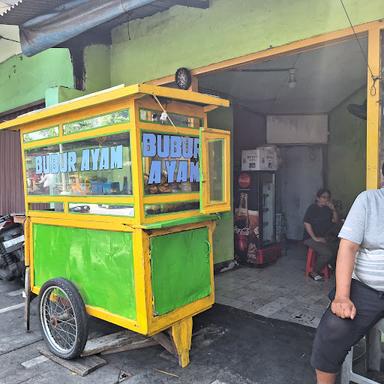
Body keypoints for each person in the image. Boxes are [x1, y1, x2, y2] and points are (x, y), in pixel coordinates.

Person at [311, 165, 384, 384]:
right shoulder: (368, 201)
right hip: (366, 289)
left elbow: (334, 221)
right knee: (332, 330)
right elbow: (348, 247)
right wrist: (342, 296)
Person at [303, 188, 339, 281]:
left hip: (325, 237)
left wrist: (333, 210)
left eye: (327, 197)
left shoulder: (328, 209)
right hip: (310, 238)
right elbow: (307, 223)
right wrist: (315, 238)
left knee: (340, 247)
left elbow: (335, 221)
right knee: (327, 253)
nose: (326, 199)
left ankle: (330, 264)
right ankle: (314, 271)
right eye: (323, 197)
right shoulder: (312, 208)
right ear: (318, 198)